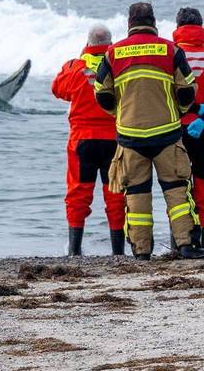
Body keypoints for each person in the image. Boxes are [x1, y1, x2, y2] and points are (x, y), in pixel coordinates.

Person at [94, 2, 204, 259]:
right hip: (167, 133)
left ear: (129, 24)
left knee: (136, 194)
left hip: (130, 136)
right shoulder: (170, 49)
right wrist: (179, 111)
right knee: (177, 190)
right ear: (153, 22)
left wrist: (120, 114)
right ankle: (186, 245)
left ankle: (141, 251)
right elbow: (187, 90)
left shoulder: (112, 54)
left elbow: (102, 94)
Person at [51, 24, 124, 256]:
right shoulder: (119, 66)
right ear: (110, 43)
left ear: (88, 42)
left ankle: (74, 250)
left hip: (82, 141)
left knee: (78, 195)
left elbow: (57, 90)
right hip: (114, 140)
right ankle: (118, 252)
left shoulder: (75, 67)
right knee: (115, 195)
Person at [173, 7, 204, 222]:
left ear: (178, 27)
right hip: (203, 125)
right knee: (202, 180)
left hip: (175, 126)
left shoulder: (171, 53)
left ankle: (182, 236)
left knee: (177, 183)